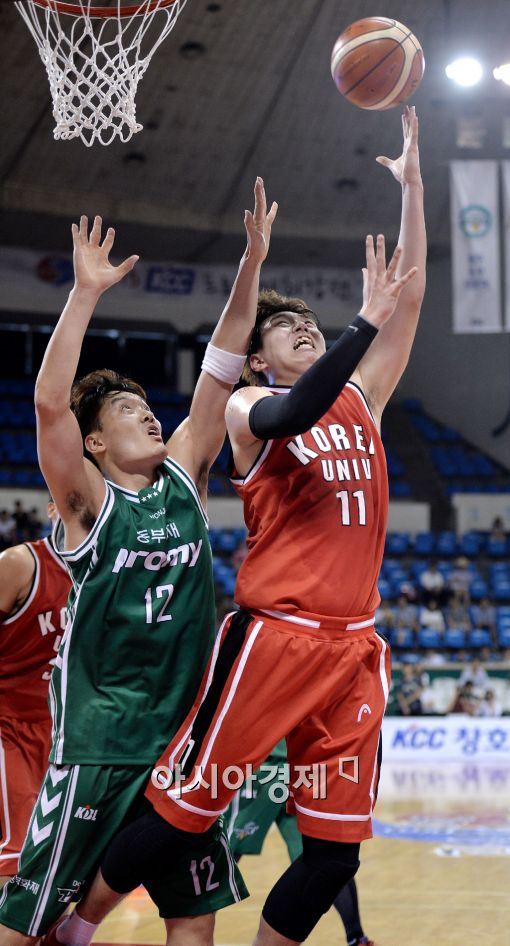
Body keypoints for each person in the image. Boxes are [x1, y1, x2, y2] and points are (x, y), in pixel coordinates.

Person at [76, 106, 425, 946]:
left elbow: (408, 289)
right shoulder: (246, 404)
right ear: (262, 357)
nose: (304, 328)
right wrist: (361, 321)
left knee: (335, 854)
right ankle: (73, 932)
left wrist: (413, 186)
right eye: (285, 328)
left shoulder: (365, 400)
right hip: (275, 637)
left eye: (313, 321)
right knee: (186, 816)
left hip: (355, 647)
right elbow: (299, 404)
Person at [0, 178, 278, 946]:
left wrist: (251, 263)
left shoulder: (187, 470)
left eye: (147, 405)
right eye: (127, 410)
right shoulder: (87, 503)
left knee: (193, 921)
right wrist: (84, 294)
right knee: (30, 927)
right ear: (95, 445)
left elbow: (221, 368)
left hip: (184, 743)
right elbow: (51, 405)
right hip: (100, 744)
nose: (149, 411)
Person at [227, 742, 378, 946]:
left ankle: (189, 925)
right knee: (326, 857)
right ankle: (357, 937)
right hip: (297, 769)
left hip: (266, 769)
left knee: (225, 853)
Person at [0, 501, 70, 884]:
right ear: (50, 509)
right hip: (10, 728)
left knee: (56, 868)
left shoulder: (106, 576)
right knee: (16, 859)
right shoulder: (20, 564)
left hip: (65, 737)